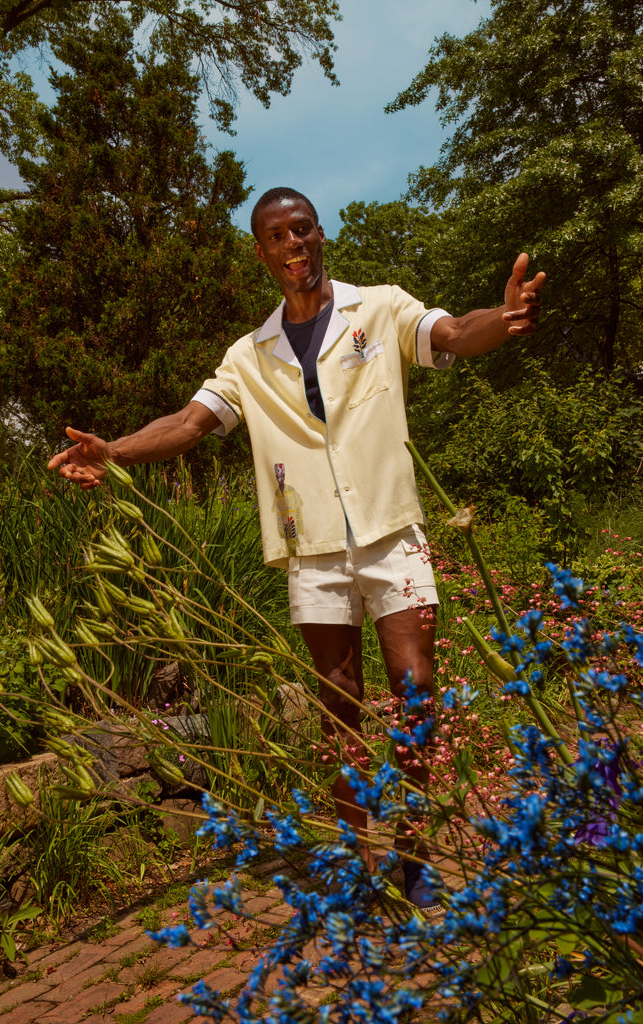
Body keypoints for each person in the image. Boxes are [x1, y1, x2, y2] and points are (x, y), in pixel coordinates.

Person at [49, 186, 545, 912]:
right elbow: (189, 424)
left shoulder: (377, 307)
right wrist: (114, 449)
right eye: (277, 236)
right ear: (262, 253)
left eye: (303, 230)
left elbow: (452, 333)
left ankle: (414, 854)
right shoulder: (248, 356)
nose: (293, 245)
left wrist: (500, 320)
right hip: (310, 548)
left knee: (414, 691)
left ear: (320, 236)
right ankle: (356, 857)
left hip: (389, 532)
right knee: (337, 701)